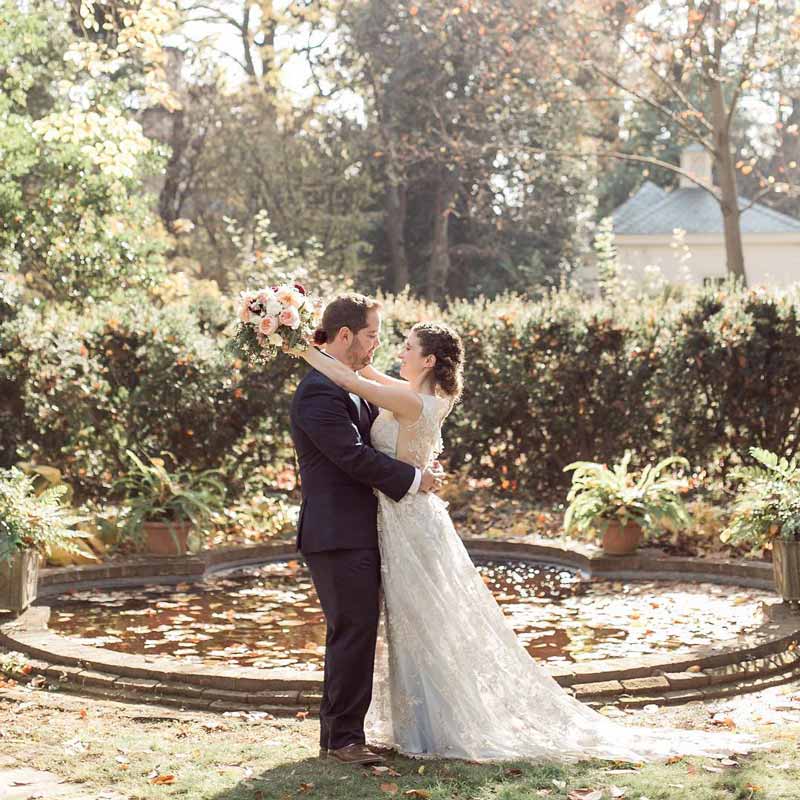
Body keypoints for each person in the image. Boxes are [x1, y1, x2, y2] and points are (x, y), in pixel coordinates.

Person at [293, 301, 764, 764]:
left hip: (403, 522)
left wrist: (296, 344)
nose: (390, 347)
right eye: (375, 335)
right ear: (347, 335)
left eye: (404, 344)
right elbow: (358, 410)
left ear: (429, 360)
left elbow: (357, 382)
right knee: (372, 630)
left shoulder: (403, 396)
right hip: (373, 524)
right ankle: (354, 735)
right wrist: (296, 340)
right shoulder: (383, 392)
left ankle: (376, 732)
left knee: (406, 627)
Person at [289, 293, 443, 766]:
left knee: (356, 631)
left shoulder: (349, 383)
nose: (378, 344)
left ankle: (341, 736)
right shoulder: (319, 391)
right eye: (372, 335)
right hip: (336, 531)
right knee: (352, 632)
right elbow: (352, 457)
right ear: (345, 335)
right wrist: (415, 479)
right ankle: (342, 741)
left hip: (359, 528)